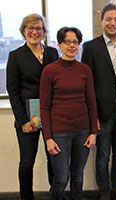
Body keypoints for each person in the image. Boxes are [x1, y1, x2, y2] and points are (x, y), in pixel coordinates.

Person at [81, 3, 116, 200]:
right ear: (102, 21)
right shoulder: (90, 47)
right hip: (102, 112)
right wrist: (92, 116)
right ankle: (104, 191)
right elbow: (87, 84)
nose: (113, 23)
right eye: (109, 19)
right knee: (103, 155)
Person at [40, 27, 98, 200]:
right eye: (67, 42)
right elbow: (44, 107)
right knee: (61, 178)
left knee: (78, 175)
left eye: (75, 42)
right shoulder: (49, 71)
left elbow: (91, 102)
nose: (72, 45)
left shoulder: (84, 70)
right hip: (59, 133)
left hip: (83, 131)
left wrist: (93, 132)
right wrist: (48, 138)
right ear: (59, 44)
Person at [6, 13, 58, 200]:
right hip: (27, 117)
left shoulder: (52, 53)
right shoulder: (16, 56)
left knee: (53, 159)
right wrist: (22, 121)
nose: (34, 32)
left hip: (51, 115)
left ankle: (56, 194)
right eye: (31, 28)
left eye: (38, 28)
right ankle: (26, 197)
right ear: (23, 31)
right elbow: (12, 91)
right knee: (27, 162)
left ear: (44, 32)